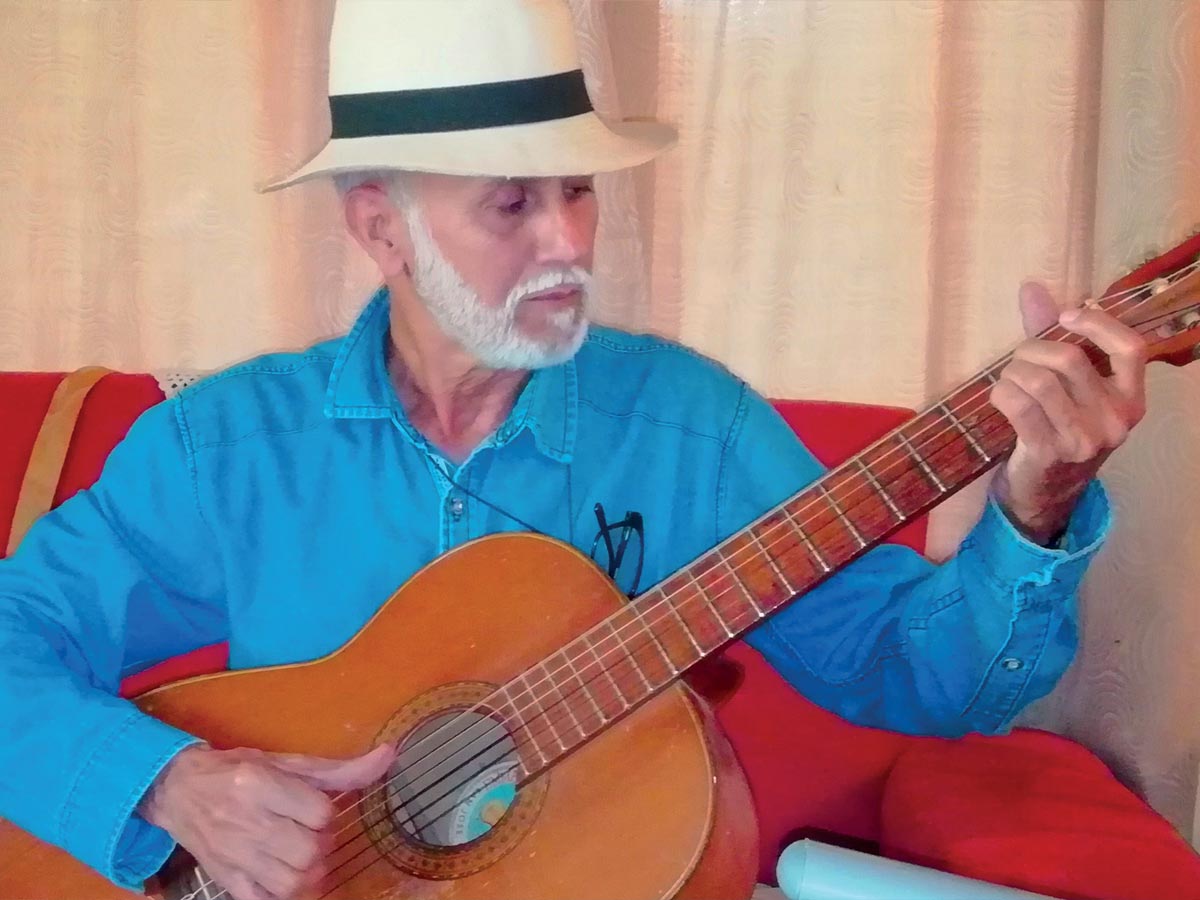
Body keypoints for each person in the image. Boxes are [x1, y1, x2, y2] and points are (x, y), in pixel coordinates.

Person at [0, 2, 1149, 900]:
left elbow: (923, 679)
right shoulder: (229, 449)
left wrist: (1035, 506)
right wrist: (173, 785)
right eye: (511, 205)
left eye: (578, 193)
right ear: (379, 226)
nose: (567, 244)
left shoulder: (697, 435)